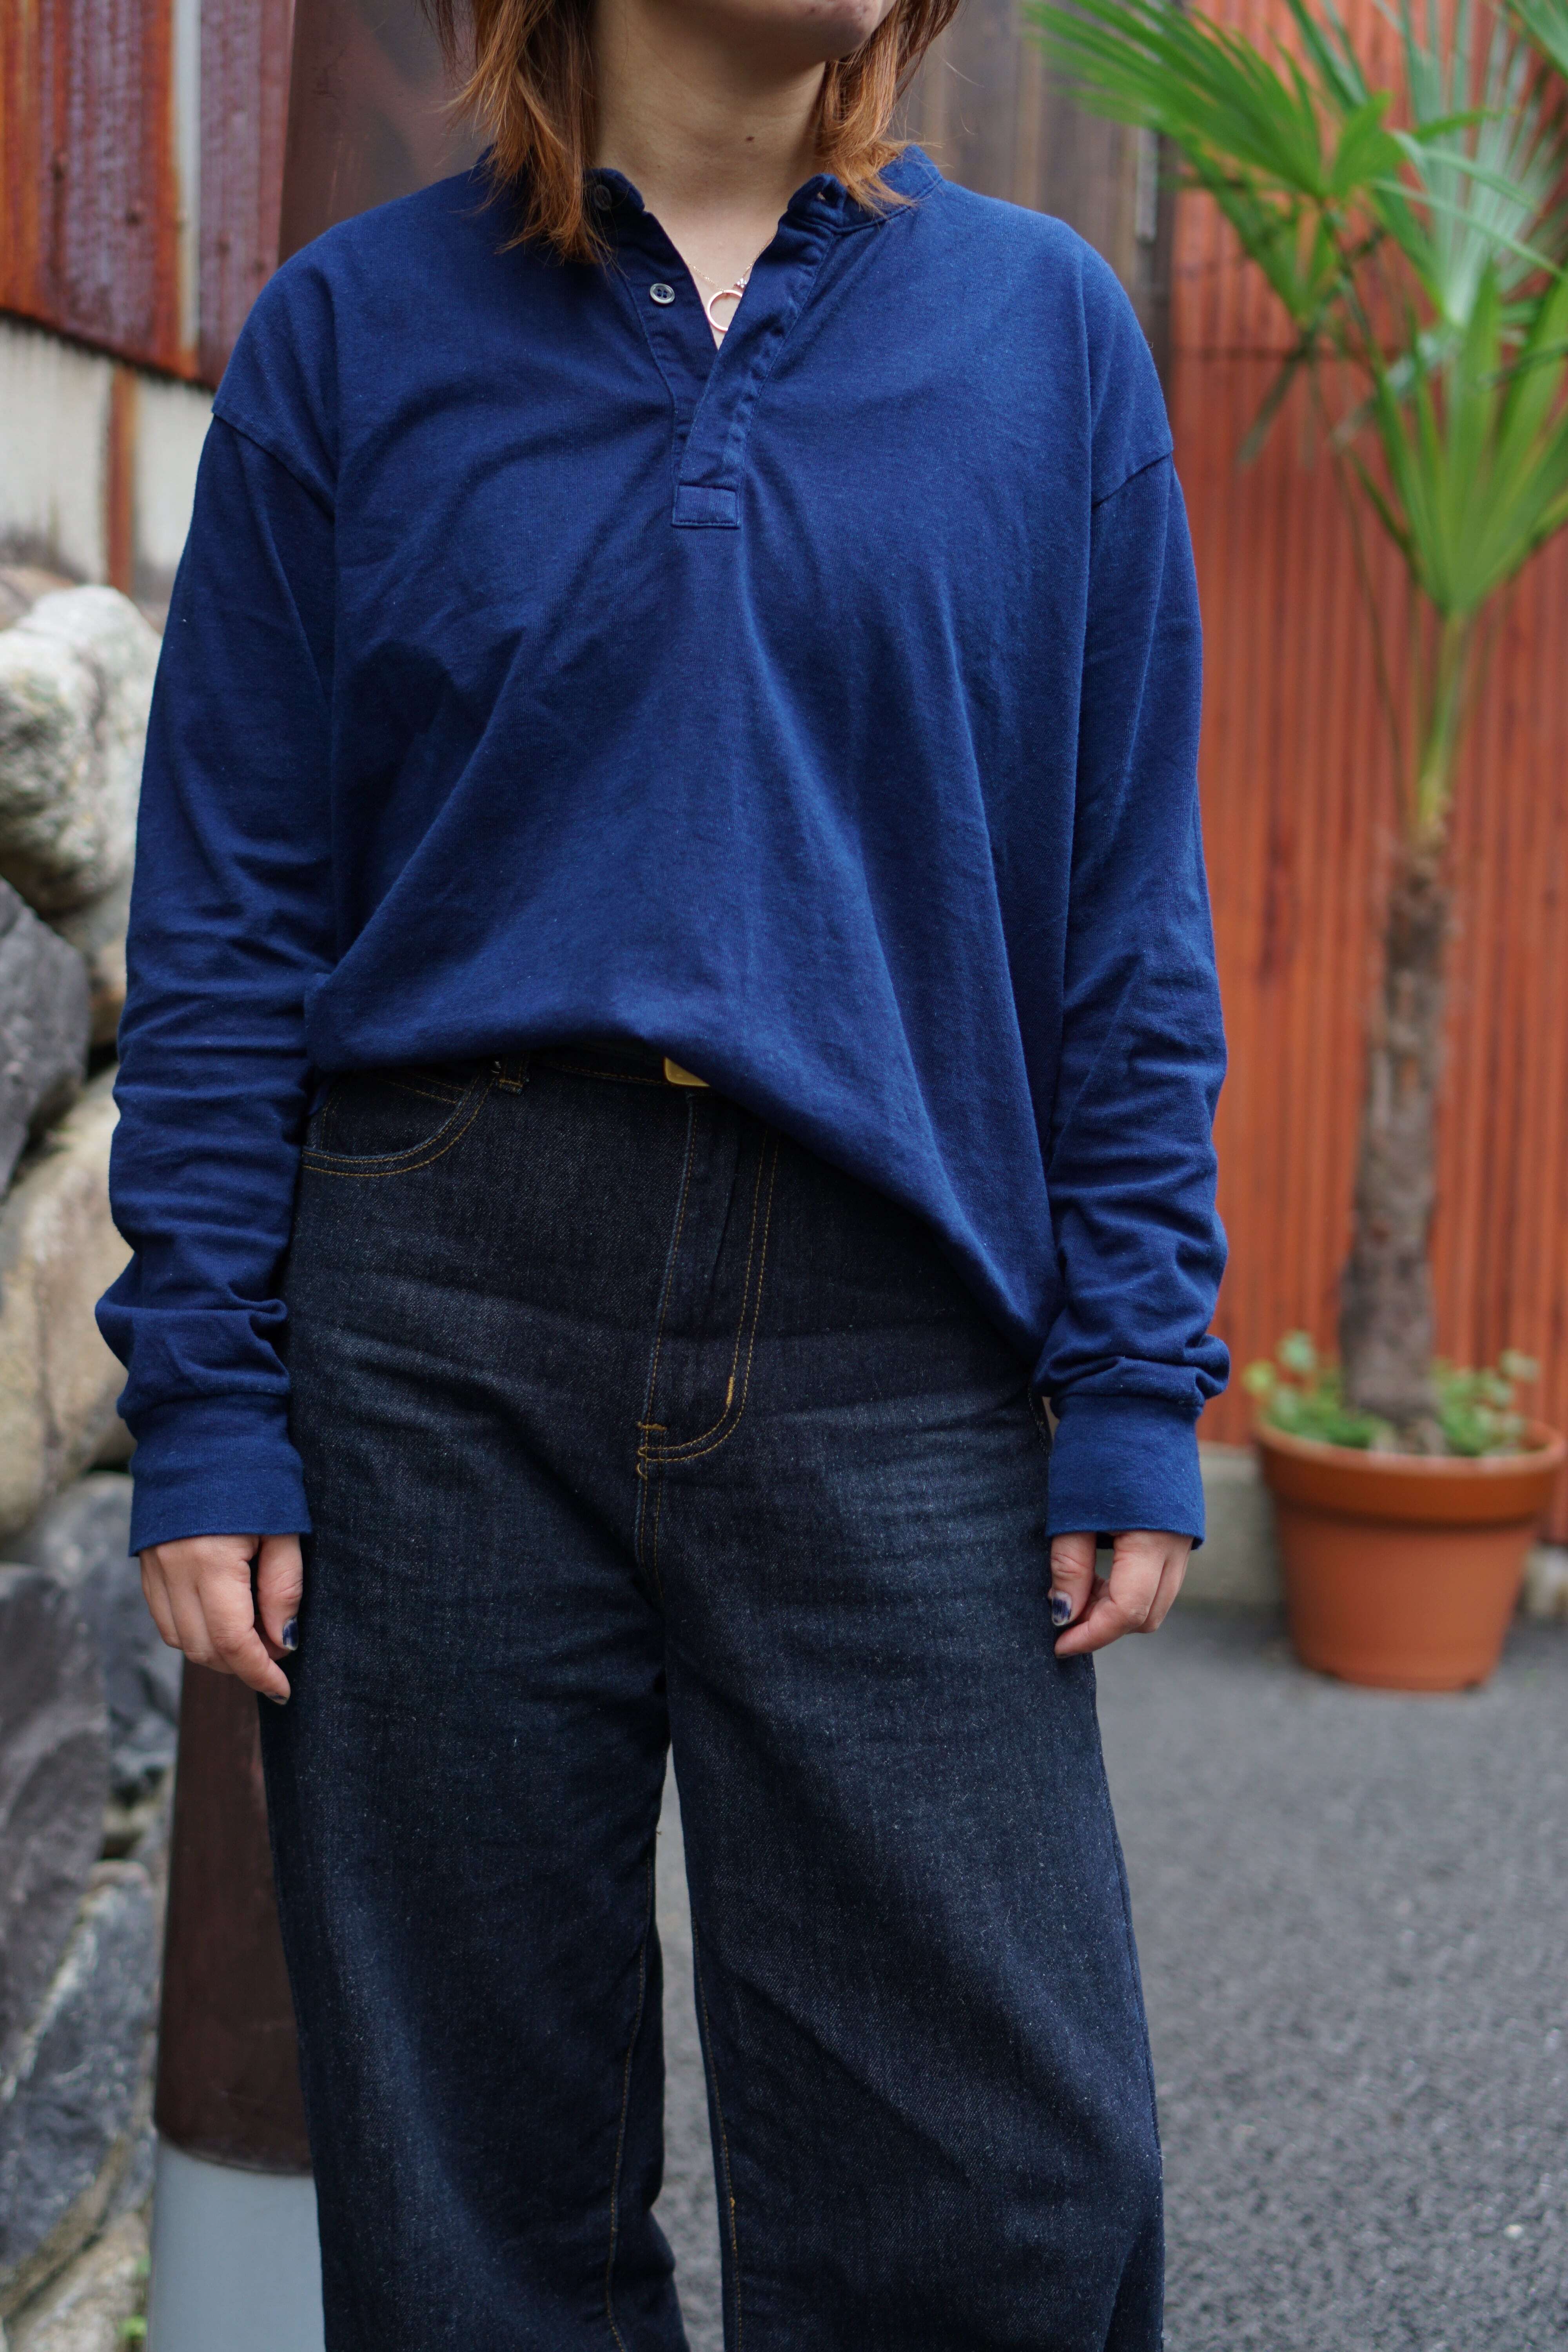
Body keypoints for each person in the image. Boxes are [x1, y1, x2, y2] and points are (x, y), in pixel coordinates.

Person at [98, 0, 1229, 2336]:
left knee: (1011, 2197)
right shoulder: (351, 337)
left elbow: (1123, 909)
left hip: (896, 1316)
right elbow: (233, 917)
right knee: (475, 2225)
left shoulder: (1047, 338)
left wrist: (1137, 1358)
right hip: (436, 1324)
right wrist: (205, 1390)